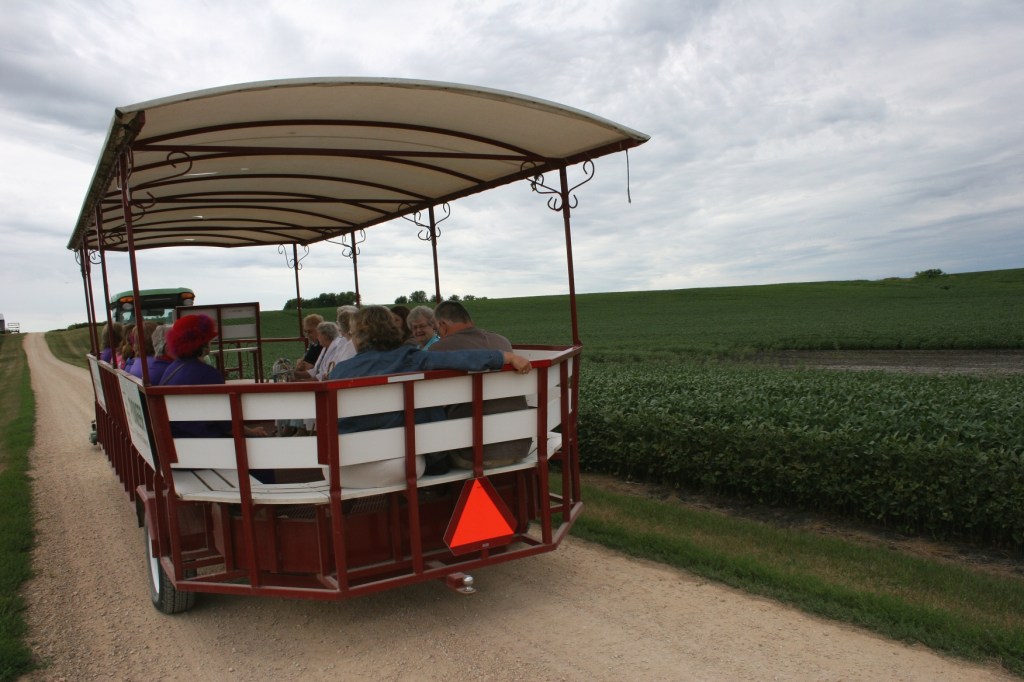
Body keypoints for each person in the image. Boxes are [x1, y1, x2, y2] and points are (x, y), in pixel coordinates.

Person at [328, 306, 532, 476]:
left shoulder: (340, 372)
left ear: (359, 337)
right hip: (405, 454)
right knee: (423, 415)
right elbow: (459, 358)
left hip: (351, 457)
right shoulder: (412, 358)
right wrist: (505, 357)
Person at [431, 300, 532, 468]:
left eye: (437, 329)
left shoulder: (439, 348)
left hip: (472, 455)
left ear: (442, 324)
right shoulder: (502, 342)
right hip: (519, 448)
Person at [160, 314, 267, 441]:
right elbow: (227, 424)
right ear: (202, 344)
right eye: (209, 340)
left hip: (176, 439)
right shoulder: (209, 374)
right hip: (206, 442)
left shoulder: (171, 368)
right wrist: (253, 432)